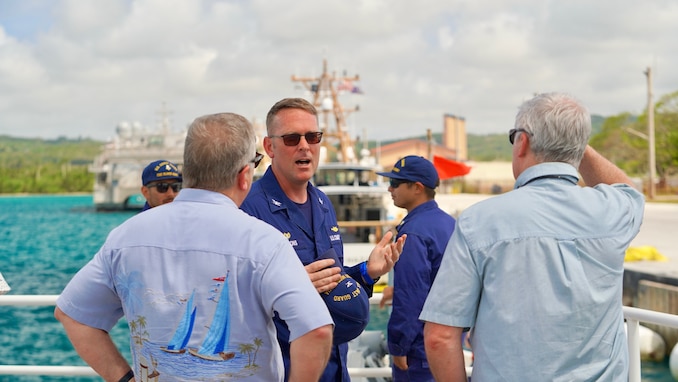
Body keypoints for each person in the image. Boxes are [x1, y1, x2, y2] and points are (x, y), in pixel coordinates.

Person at [55, 112, 334, 382]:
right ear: (244, 175)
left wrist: (125, 378)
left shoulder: (125, 237)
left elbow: (72, 315)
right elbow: (317, 331)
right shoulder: (264, 242)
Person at [420, 92, 645, 381]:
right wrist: (573, 144)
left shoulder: (479, 221)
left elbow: (440, 337)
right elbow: (627, 190)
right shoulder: (612, 211)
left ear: (522, 142)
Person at [240, 97, 406, 382]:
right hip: (286, 370)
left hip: (335, 368)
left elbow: (330, 282)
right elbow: (230, 299)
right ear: (270, 147)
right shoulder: (249, 209)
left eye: (313, 136)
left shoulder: (322, 203)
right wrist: (289, 286)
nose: (304, 145)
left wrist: (368, 271)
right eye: (292, 138)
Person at [375, 155, 456, 381]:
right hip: (448, 340)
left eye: (396, 183)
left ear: (417, 187)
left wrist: (399, 346)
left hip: (420, 349)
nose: (390, 189)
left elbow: (412, 294)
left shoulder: (414, 232)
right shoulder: (449, 224)